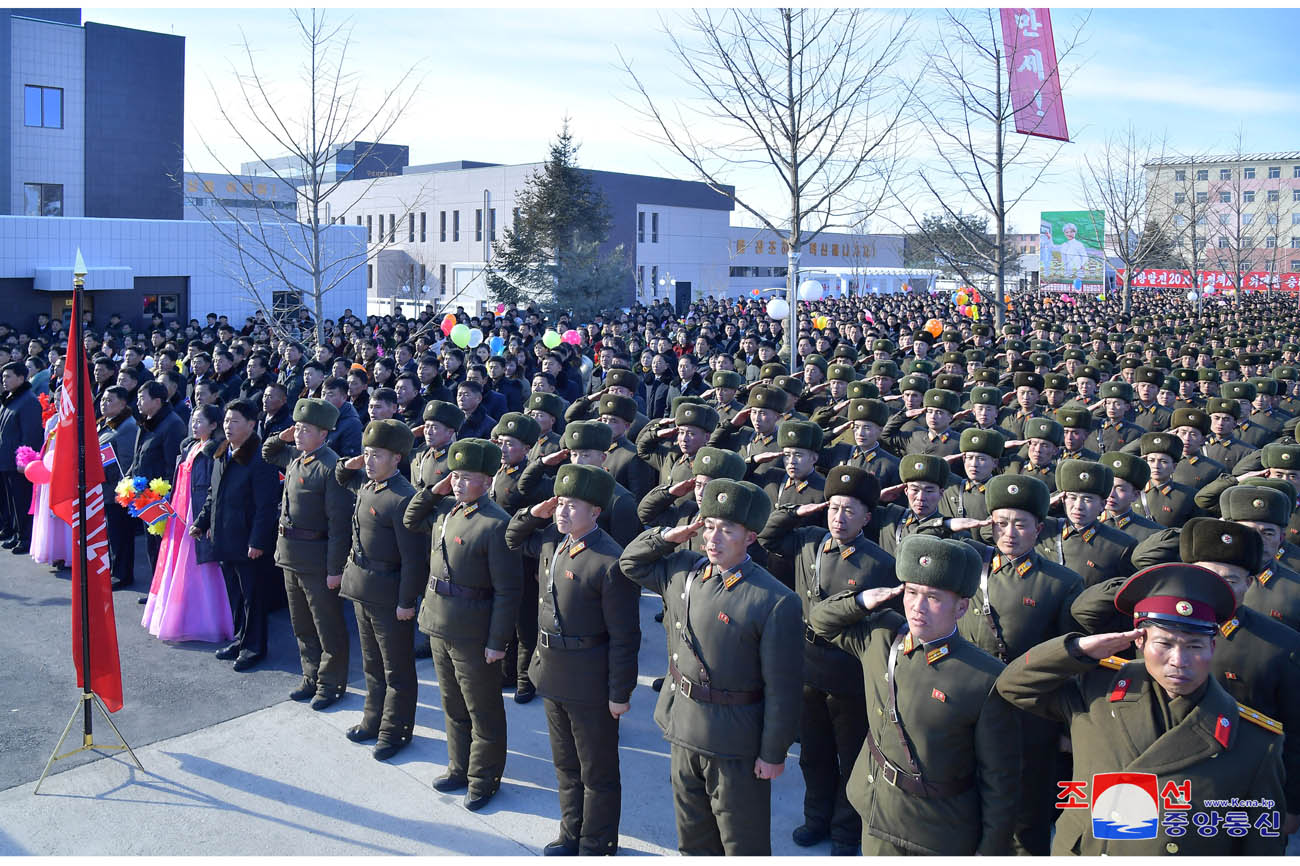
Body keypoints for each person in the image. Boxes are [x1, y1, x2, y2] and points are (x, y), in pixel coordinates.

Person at [997, 562, 1286, 855]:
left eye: (1195, 647)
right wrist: (1077, 651)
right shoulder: (1096, 690)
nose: (1179, 660)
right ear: (1140, 640)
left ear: (1213, 647)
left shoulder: (1255, 742)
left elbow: (1263, 845)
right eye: (1165, 643)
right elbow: (1013, 686)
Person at [619, 478, 802, 856]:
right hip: (683, 724)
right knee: (693, 837)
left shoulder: (774, 599)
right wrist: (671, 536)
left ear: (750, 537)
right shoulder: (684, 569)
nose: (713, 538)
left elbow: (782, 688)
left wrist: (773, 753)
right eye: (709, 526)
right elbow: (630, 562)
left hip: (734, 741)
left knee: (741, 843)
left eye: (727, 530)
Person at [809, 534, 1020, 855]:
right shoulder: (881, 636)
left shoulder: (985, 677)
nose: (917, 607)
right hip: (876, 808)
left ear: (962, 607)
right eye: (911, 592)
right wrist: (863, 600)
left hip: (936, 830)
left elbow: (1000, 780)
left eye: (933, 597)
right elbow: (820, 621)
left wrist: (990, 850)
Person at [757, 465, 895, 855]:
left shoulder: (879, 563)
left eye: (850, 510)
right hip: (805, 667)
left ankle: (846, 830)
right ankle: (816, 818)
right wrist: (800, 511)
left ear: (867, 517)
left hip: (849, 673)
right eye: (833, 508)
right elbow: (768, 534)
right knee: (813, 754)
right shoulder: (808, 541)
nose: (839, 517)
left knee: (850, 757)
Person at [504, 464, 641, 856]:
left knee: (596, 770)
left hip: (590, 678)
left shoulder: (609, 561)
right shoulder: (552, 541)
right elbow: (513, 537)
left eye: (572, 505)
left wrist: (620, 692)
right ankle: (571, 831)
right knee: (565, 765)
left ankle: (598, 842)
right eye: (560, 503)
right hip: (552, 671)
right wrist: (536, 512)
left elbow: (625, 636)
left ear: (595, 511)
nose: (562, 512)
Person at [403, 438, 522, 809]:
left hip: (473, 632)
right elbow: (411, 518)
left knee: (481, 709)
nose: (456, 483)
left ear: (486, 482)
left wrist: (497, 641)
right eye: (453, 476)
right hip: (439, 623)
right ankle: (459, 767)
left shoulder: (495, 524)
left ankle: (484, 778)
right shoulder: (445, 510)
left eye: (466, 477)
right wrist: (433, 489)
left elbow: (508, 591)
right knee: (452, 704)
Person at [336, 420, 428, 760]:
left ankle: (396, 731)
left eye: (377, 455)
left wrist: (407, 602)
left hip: (390, 595)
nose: (369, 461)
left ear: (397, 458)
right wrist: (354, 462)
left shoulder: (403, 498)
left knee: (397, 669)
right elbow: (341, 476)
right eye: (367, 454)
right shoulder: (369, 485)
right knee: (372, 663)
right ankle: (373, 720)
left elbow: (413, 560)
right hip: (363, 587)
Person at [263, 398, 355, 710]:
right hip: (290, 555)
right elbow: (268, 452)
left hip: (317, 559)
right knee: (301, 624)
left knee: (327, 626)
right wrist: (282, 436)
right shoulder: (297, 457)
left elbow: (339, 524)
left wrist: (334, 569)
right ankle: (311, 675)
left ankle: (332, 684)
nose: (299, 434)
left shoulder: (331, 467)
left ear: (324, 434)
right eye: (298, 428)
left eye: (306, 430)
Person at [193, 400, 280, 671]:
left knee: (252, 596)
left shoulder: (260, 458)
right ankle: (240, 639)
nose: (229, 426)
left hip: (247, 541)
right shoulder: (223, 452)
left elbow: (266, 506)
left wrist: (257, 541)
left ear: (252, 425)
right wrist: (201, 521)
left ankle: (254, 647)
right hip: (224, 536)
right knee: (235, 594)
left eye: (235, 422)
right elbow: (213, 494)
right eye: (227, 421)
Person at [142, 403, 233, 643]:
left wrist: (208, 520)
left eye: (200, 421)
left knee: (200, 568)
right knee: (177, 564)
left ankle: (207, 621)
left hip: (197, 514)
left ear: (214, 425)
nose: (195, 424)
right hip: (180, 513)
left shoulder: (215, 451)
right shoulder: (189, 447)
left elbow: (215, 489)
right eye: (193, 420)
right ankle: (178, 614)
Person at [131, 379, 187, 576]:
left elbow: (172, 464)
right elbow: (138, 456)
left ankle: (164, 591)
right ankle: (155, 591)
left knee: (162, 545)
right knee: (151, 545)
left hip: (160, 498)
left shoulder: (172, 424)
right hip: (144, 496)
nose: (138, 402)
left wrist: (165, 496)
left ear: (157, 401)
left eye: (141, 398)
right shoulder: (147, 421)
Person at [98, 386, 139, 587]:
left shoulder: (128, 427)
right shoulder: (108, 423)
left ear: (123, 404)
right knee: (113, 534)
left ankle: (123, 574)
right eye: (103, 400)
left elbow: (126, 462)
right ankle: (115, 569)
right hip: (105, 488)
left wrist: (119, 488)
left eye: (109, 400)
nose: (104, 404)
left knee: (121, 534)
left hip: (117, 490)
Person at [0, 360, 42, 555]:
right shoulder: (11, 398)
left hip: (18, 464)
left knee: (22, 501)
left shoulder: (28, 400)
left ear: (21, 377)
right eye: (3, 377)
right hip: (5, 461)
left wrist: (23, 462)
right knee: (11, 502)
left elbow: (30, 435)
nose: (4, 380)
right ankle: (16, 534)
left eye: (8, 376)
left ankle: (25, 537)